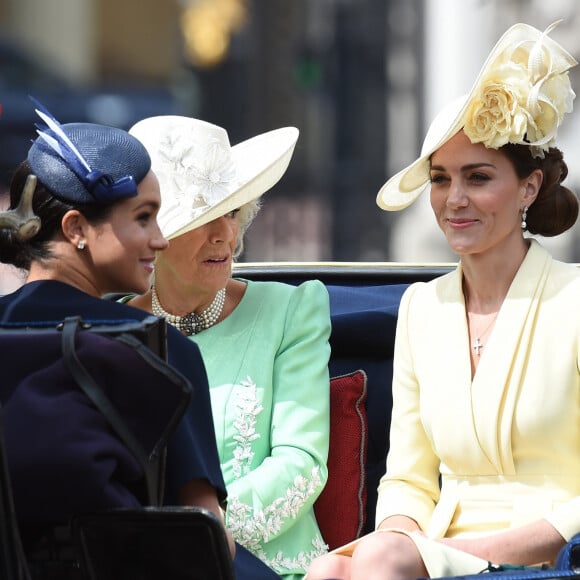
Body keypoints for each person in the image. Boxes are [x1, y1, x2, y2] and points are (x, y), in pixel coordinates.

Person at [307, 21, 580, 580]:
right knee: (326, 573)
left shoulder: (575, 299)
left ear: (529, 187)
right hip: (436, 549)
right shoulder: (420, 309)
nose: (454, 200)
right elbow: (407, 478)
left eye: (478, 178)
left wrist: (461, 555)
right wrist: (399, 542)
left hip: (554, 554)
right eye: (439, 179)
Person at [0, 103, 234, 568]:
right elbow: (208, 544)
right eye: (144, 217)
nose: (161, 239)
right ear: (77, 229)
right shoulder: (158, 349)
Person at [126, 116, 332, 579]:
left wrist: (199, 535)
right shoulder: (116, 328)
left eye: (233, 211)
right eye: (200, 219)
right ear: (154, 233)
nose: (225, 234)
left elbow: (302, 464)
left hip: (271, 566)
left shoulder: (292, 310)